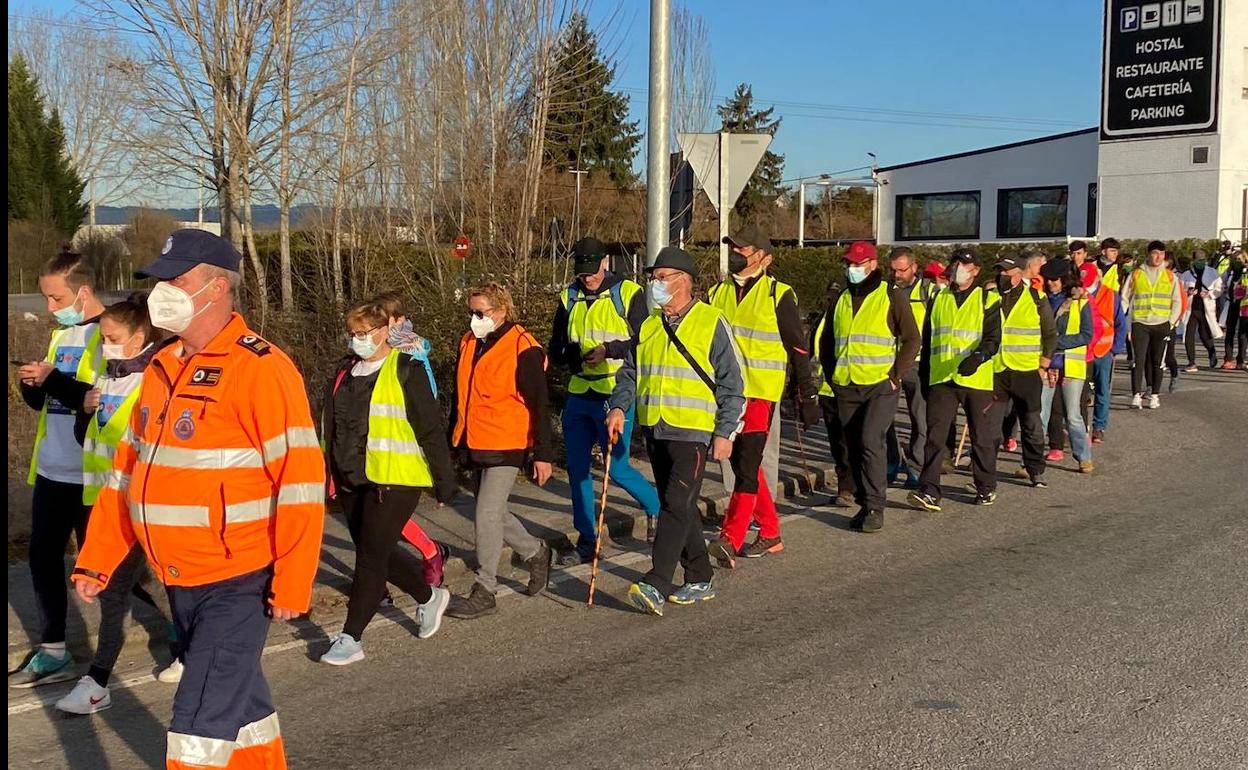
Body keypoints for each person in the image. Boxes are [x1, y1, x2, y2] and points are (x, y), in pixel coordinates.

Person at [72, 229, 325, 769]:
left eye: (176, 279)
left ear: (216, 287)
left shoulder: (261, 367)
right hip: (179, 578)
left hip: (238, 580)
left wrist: (295, 578)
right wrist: (98, 557)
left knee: (198, 726)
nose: (162, 290)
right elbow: (126, 477)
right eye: (161, 279)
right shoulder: (161, 368)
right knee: (244, 713)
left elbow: (300, 482)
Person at [55, 297, 183, 714]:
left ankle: (97, 682)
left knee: (114, 590)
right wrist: (84, 410)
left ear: (139, 339)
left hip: (138, 505)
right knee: (142, 583)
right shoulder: (109, 379)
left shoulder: (152, 383)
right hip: (103, 503)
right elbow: (90, 440)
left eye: (112, 339)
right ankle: (187, 645)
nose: (105, 346)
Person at [606, 246, 745, 615]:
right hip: (656, 429)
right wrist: (619, 406)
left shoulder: (711, 321)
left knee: (674, 504)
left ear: (684, 281)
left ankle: (656, 581)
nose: (655, 283)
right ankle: (700, 575)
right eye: (653, 278)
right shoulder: (650, 325)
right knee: (680, 506)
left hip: (695, 432)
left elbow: (734, 382)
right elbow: (630, 373)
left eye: (662, 277)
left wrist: (725, 432)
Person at [318, 302, 458, 665]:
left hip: (396, 477)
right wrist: (328, 473)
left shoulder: (404, 369)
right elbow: (332, 427)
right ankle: (429, 597)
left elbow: (429, 429)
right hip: (351, 477)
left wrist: (445, 481)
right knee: (376, 551)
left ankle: (351, 638)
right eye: (353, 334)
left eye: (364, 333)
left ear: (384, 331)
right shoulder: (344, 372)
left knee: (368, 557)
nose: (358, 340)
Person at [11, 250, 107, 688]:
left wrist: (53, 380)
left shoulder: (110, 334)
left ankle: (170, 629)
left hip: (91, 474)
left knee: (106, 567)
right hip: (52, 469)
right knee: (43, 559)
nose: (50, 308)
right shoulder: (60, 336)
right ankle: (53, 651)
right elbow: (51, 401)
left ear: (82, 293)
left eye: (55, 298)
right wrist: (31, 384)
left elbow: (98, 398)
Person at [707, 225, 818, 566]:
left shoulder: (778, 294)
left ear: (764, 259)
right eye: (734, 248)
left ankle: (731, 536)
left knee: (747, 464)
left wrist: (806, 392)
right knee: (744, 465)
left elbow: (797, 346)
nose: (736, 254)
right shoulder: (716, 293)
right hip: (728, 394)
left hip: (760, 392)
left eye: (743, 250)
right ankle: (770, 532)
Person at [445, 282, 554, 619]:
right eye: (471, 312)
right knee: (492, 513)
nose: (474, 318)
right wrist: (454, 440)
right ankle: (535, 552)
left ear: (501, 311)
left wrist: (543, 454)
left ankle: (485, 588)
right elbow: (461, 394)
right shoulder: (469, 342)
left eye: (480, 312)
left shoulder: (523, 347)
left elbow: (540, 404)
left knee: (487, 514)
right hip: (475, 441)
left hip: (509, 443)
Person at [548, 237, 659, 563]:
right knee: (578, 470)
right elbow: (556, 346)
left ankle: (655, 507)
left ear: (606, 261)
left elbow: (644, 341)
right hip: (580, 393)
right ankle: (587, 541)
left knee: (616, 468)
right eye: (582, 272)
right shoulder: (568, 296)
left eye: (592, 271)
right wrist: (569, 355)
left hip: (616, 395)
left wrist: (609, 350)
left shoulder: (627, 293)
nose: (588, 278)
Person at [818, 241, 920, 532]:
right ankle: (864, 503)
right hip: (847, 384)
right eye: (849, 264)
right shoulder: (841, 298)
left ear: (873, 265)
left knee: (870, 441)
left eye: (858, 264)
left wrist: (895, 374)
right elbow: (827, 340)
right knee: (853, 446)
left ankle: (876, 506)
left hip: (880, 384)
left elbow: (912, 338)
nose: (853, 269)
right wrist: (830, 373)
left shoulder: (891, 296)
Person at [907, 248, 1001, 511]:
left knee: (981, 437)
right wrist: (925, 377)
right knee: (935, 437)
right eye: (956, 262)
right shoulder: (939, 299)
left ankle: (985, 486)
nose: (959, 267)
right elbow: (928, 340)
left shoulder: (987, 299)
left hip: (976, 379)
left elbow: (994, 339)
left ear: (976, 270)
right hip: (942, 378)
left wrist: (979, 356)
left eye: (965, 264)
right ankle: (929, 490)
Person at [372, 291, 449, 588]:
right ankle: (425, 554)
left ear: (399, 321)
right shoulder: (384, 346)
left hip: (403, 440)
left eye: (385, 321)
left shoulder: (407, 349)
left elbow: (423, 397)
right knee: (378, 515)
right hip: (380, 442)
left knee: (387, 515)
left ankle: (430, 552)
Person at [991, 252, 1057, 488]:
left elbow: (1050, 334)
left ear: (1019, 274)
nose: (1002, 276)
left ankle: (1035, 469)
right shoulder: (991, 297)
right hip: (997, 369)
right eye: (1000, 272)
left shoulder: (1037, 298)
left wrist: (1044, 363)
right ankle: (986, 470)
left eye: (1007, 272)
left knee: (1031, 425)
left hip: (1027, 371)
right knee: (991, 424)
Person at [885, 246, 937, 487]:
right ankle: (892, 461)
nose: (896, 275)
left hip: (918, 365)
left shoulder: (930, 293)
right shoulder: (884, 291)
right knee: (884, 419)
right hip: (889, 365)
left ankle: (915, 467)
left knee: (920, 419)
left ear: (914, 268)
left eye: (901, 270)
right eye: (893, 270)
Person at [1038, 260, 1094, 474]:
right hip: (1045, 364)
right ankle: (1031, 462)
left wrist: (1056, 342)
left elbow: (1087, 335)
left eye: (1056, 279)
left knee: (1073, 416)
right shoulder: (1040, 300)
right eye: (1049, 279)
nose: (1052, 283)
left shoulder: (1081, 302)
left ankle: (1083, 457)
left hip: (1071, 365)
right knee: (1040, 415)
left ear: (1065, 280)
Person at [809, 280, 856, 509]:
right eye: (829, 296)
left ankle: (853, 486)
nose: (831, 300)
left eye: (835, 296)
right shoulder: (822, 320)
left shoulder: (847, 319)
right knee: (838, 443)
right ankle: (846, 487)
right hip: (827, 389)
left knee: (853, 440)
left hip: (850, 386)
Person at [1123, 241, 1183, 409]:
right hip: (1140, 323)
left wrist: (1171, 322)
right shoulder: (1136, 274)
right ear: (1148, 254)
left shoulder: (1170, 276)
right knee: (1138, 360)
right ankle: (1136, 395)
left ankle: (1154, 395)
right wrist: (1123, 322)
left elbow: (1177, 300)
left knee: (1158, 361)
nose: (1159, 257)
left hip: (1161, 323)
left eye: (1162, 254)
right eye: (1156, 253)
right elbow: (1124, 298)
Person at [1086, 260, 1128, 444]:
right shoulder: (1077, 294)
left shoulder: (1111, 295)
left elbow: (1121, 324)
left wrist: (1115, 349)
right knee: (1080, 394)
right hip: (1082, 353)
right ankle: (1079, 428)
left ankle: (1099, 427)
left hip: (1104, 352)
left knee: (1103, 391)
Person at [1179, 249, 1224, 372]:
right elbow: (1179, 290)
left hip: (1205, 308)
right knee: (1188, 335)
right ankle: (1191, 362)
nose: (1201, 262)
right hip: (1190, 309)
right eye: (1199, 260)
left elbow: (1220, 288)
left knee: (1205, 334)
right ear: (1193, 260)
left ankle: (1211, 351)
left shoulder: (1212, 273)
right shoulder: (1186, 275)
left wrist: (1209, 294)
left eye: (1203, 260)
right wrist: (1188, 292)